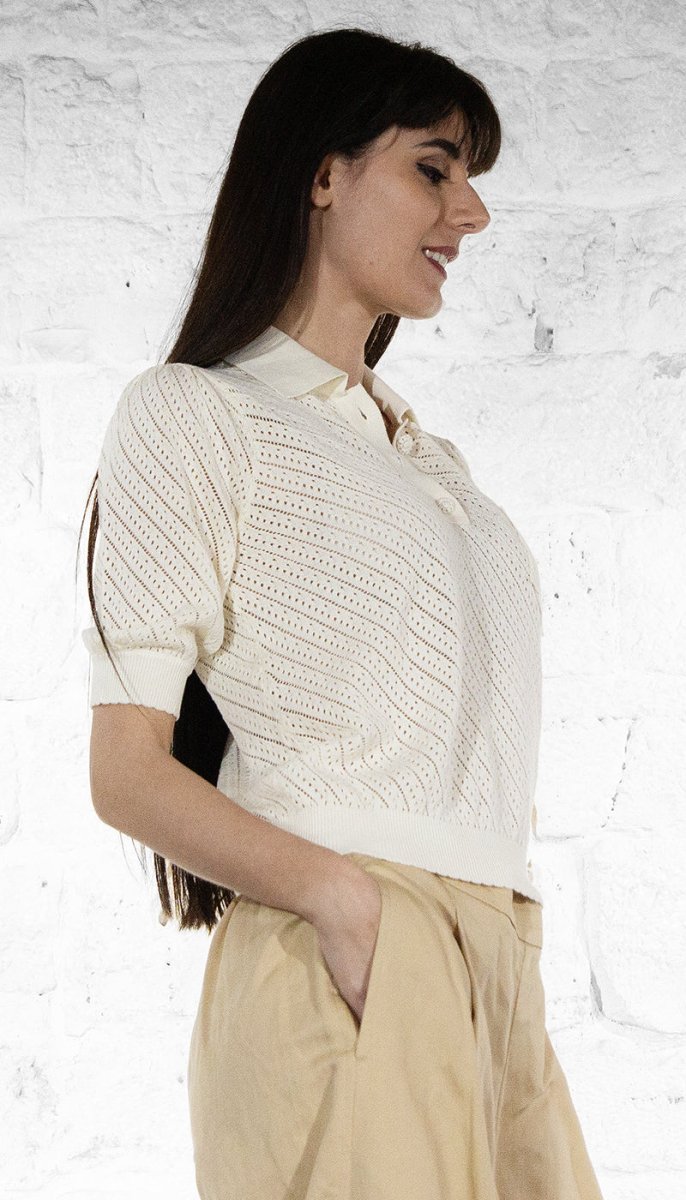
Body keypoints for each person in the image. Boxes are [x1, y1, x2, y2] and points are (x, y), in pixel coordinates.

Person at [80, 26, 605, 1200]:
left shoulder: (429, 460)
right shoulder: (198, 412)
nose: (469, 214)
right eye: (433, 168)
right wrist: (345, 904)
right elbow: (127, 774)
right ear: (323, 174)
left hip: (495, 963)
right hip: (352, 956)